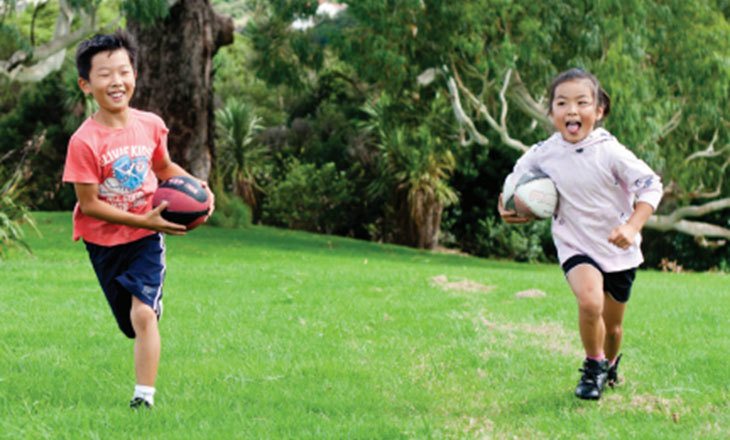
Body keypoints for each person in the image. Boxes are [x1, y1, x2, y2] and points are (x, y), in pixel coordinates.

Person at [62, 30, 214, 408]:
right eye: (105, 74)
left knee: (144, 314)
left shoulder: (149, 124)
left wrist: (197, 187)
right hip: (104, 242)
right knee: (129, 323)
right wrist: (144, 220)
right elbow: (90, 204)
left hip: (146, 241)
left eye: (124, 71)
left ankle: (143, 398)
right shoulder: (84, 141)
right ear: (86, 84)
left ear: (134, 75)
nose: (117, 81)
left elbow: (164, 168)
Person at [498, 68, 663, 400]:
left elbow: (651, 186)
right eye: (562, 103)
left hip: (617, 248)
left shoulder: (610, 152)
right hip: (574, 244)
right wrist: (510, 209)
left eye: (581, 102)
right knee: (589, 302)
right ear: (552, 112)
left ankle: (610, 362)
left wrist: (631, 227)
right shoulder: (543, 152)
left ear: (599, 110)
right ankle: (593, 367)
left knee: (613, 328)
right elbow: (514, 184)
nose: (571, 110)